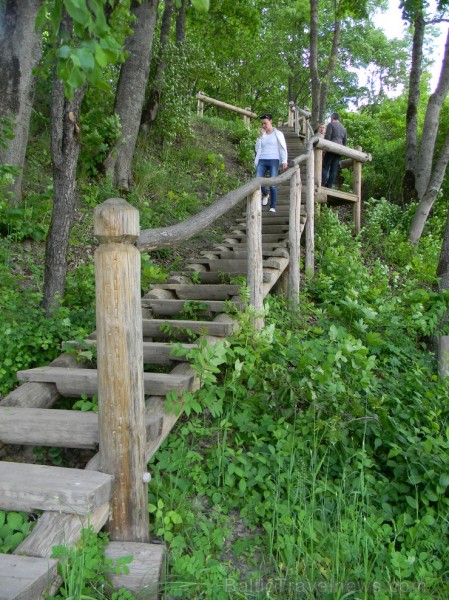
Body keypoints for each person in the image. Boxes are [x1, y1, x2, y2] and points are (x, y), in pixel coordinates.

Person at [254, 113, 288, 212]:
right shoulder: (262, 134)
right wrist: (259, 137)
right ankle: (265, 194)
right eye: (262, 124)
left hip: (274, 159)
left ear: (271, 121)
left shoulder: (278, 133)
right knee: (257, 181)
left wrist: (284, 160)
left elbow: (283, 148)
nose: (264, 126)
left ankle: (272, 206)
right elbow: (257, 149)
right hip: (262, 159)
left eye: (265, 123)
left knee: (273, 183)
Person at [321, 113, 347, 189]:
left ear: (332, 118)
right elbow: (345, 141)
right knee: (334, 169)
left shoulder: (330, 125)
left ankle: (322, 184)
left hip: (331, 149)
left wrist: (325, 148)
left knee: (325, 167)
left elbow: (328, 136)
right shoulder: (343, 128)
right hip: (339, 150)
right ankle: (329, 186)